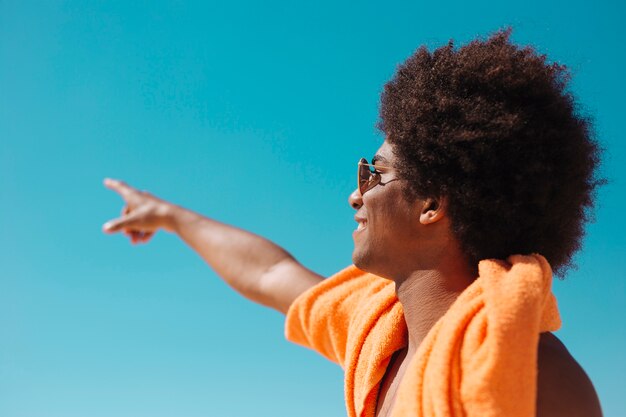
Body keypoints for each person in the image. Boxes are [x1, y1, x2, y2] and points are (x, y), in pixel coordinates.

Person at [103, 29, 603, 417]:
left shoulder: (536, 376)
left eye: (373, 174)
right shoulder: (377, 335)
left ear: (431, 203)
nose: (353, 194)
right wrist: (171, 217)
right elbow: (269, 275)